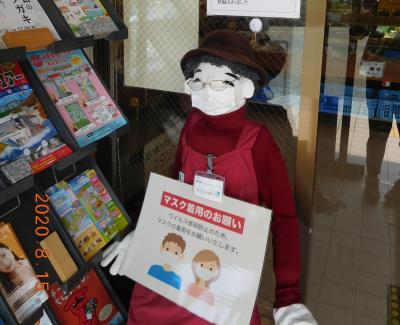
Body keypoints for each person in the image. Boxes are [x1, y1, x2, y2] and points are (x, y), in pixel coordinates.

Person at [101, 30, 317, 325]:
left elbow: (285, 219)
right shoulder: (191, 126)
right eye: (198, 81)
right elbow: (172, 191)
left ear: (246, 88)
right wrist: (145, 234)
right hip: (174, 271)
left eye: (220, 83)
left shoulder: (259, 142)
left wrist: (288, 298)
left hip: (223, 285)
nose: (206, 91)